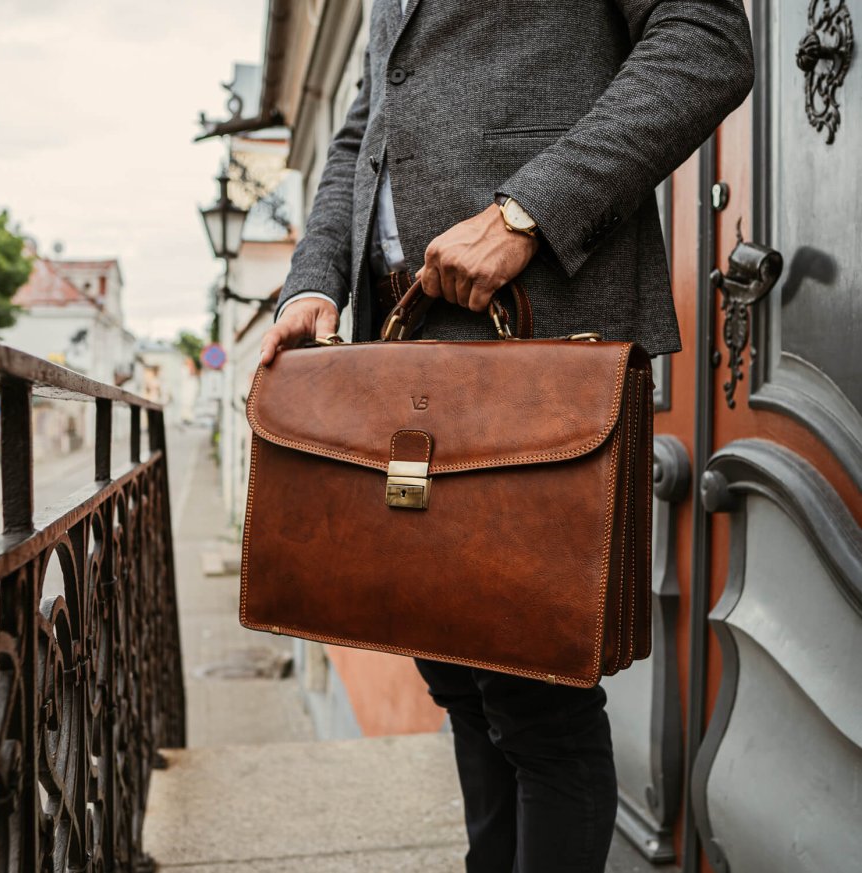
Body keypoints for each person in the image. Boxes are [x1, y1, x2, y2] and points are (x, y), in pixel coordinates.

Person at [260, 1, 754, 870]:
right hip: (399, 342)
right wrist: (313, 282)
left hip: (537, 333)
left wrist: (524, 211)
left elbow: (704, 43)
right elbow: (363, 132)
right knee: (456, 672)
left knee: (540, 706)